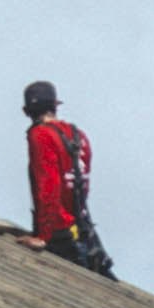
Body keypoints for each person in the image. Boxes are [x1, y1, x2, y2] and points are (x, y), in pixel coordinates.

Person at [22, 78, 112, 273]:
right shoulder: (78, 135)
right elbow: (82, 184)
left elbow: (49, 184)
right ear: (55, 106)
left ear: (26, 111)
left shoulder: (40, 135)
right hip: (81, 229)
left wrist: (43, 237)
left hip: (59, 231)